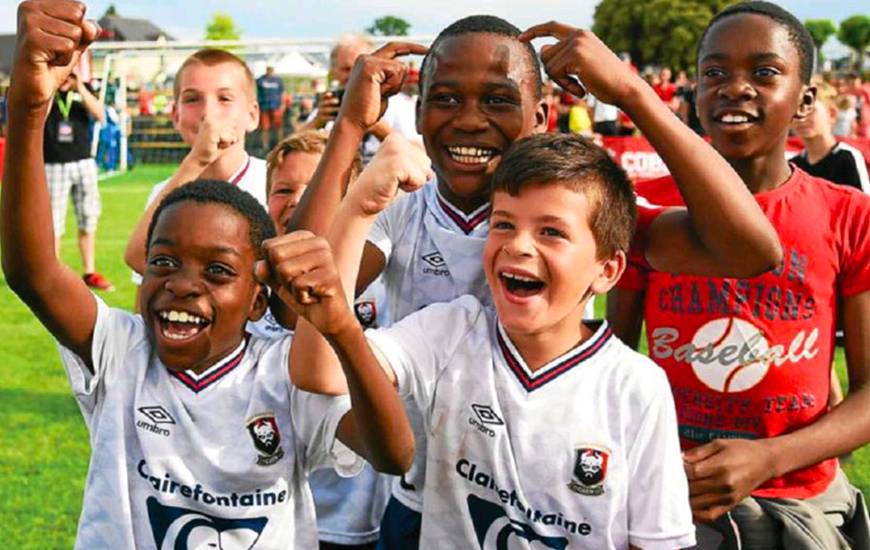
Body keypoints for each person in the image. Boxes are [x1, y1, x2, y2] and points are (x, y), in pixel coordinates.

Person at [288, 15, 781, 549]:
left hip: (556, 494)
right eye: (446, 99)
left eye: (498, 100)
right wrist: (350, 128)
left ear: (541, 115)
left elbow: (750, 250)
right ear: (420, 111)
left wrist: (630, 93)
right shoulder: (402, 206)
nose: (470, 120)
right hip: (428, 492)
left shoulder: (574, 213)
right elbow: (297, 306)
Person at [1, 3, 414, 548]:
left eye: (217, 271)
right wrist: (30, 107)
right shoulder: (122, 352)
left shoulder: (282, 373)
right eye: (163, 262)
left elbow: (392, 453)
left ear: (258, 300)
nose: (182, 283)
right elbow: (33, 272)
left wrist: (340, 329)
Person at [607, 3, 870, 547]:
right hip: (672, 501)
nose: (735, 88)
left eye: (765, 72)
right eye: (714, 72)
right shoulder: (644, 213)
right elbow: (613, 367)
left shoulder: (850, 215)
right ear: (693, 92)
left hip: (803, 505)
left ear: (806, 100)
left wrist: (771, 456)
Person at [253, 130, 392, 549]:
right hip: (279, 516)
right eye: (283, 190)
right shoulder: (248, 287)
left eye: (315, 187)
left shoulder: (379, 281)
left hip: (360, 513)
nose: (296, 199)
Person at [123, 48, 268, 280]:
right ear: (176, 117)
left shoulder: (277, 182)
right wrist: (197, 161)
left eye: (224, 98)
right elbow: (142, 267)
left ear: (252, 115)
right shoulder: (164, 194)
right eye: (192, 99)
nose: (208, 113)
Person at [42, 66, 113, 291]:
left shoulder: (83, 90)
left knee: (88, 217)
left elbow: (100, 115)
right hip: (54, 163)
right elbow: (38, 116)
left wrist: (79, 86)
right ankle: (52, 274)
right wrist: (53, 86)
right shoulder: (45, 90)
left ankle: (89, 271)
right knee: (54, 222)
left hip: (83, 162)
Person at [792, 97, 869, 193]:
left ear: (831, 114)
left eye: (810, 110)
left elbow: (864, 204)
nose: (802, 119)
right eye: (795, 112)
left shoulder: (847, 158)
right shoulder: (793, 165)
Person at [256, 65, 284, 152]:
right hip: (264, 107)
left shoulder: (278, 80)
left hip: (276, 106)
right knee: (265, 128)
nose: (270, 70)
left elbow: (282, 93)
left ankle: (279, 145)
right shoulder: (260, 80)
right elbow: (256, 93)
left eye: (271, 69)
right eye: (268, 68)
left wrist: (282, 105)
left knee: (278, 127)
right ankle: (265, 146)